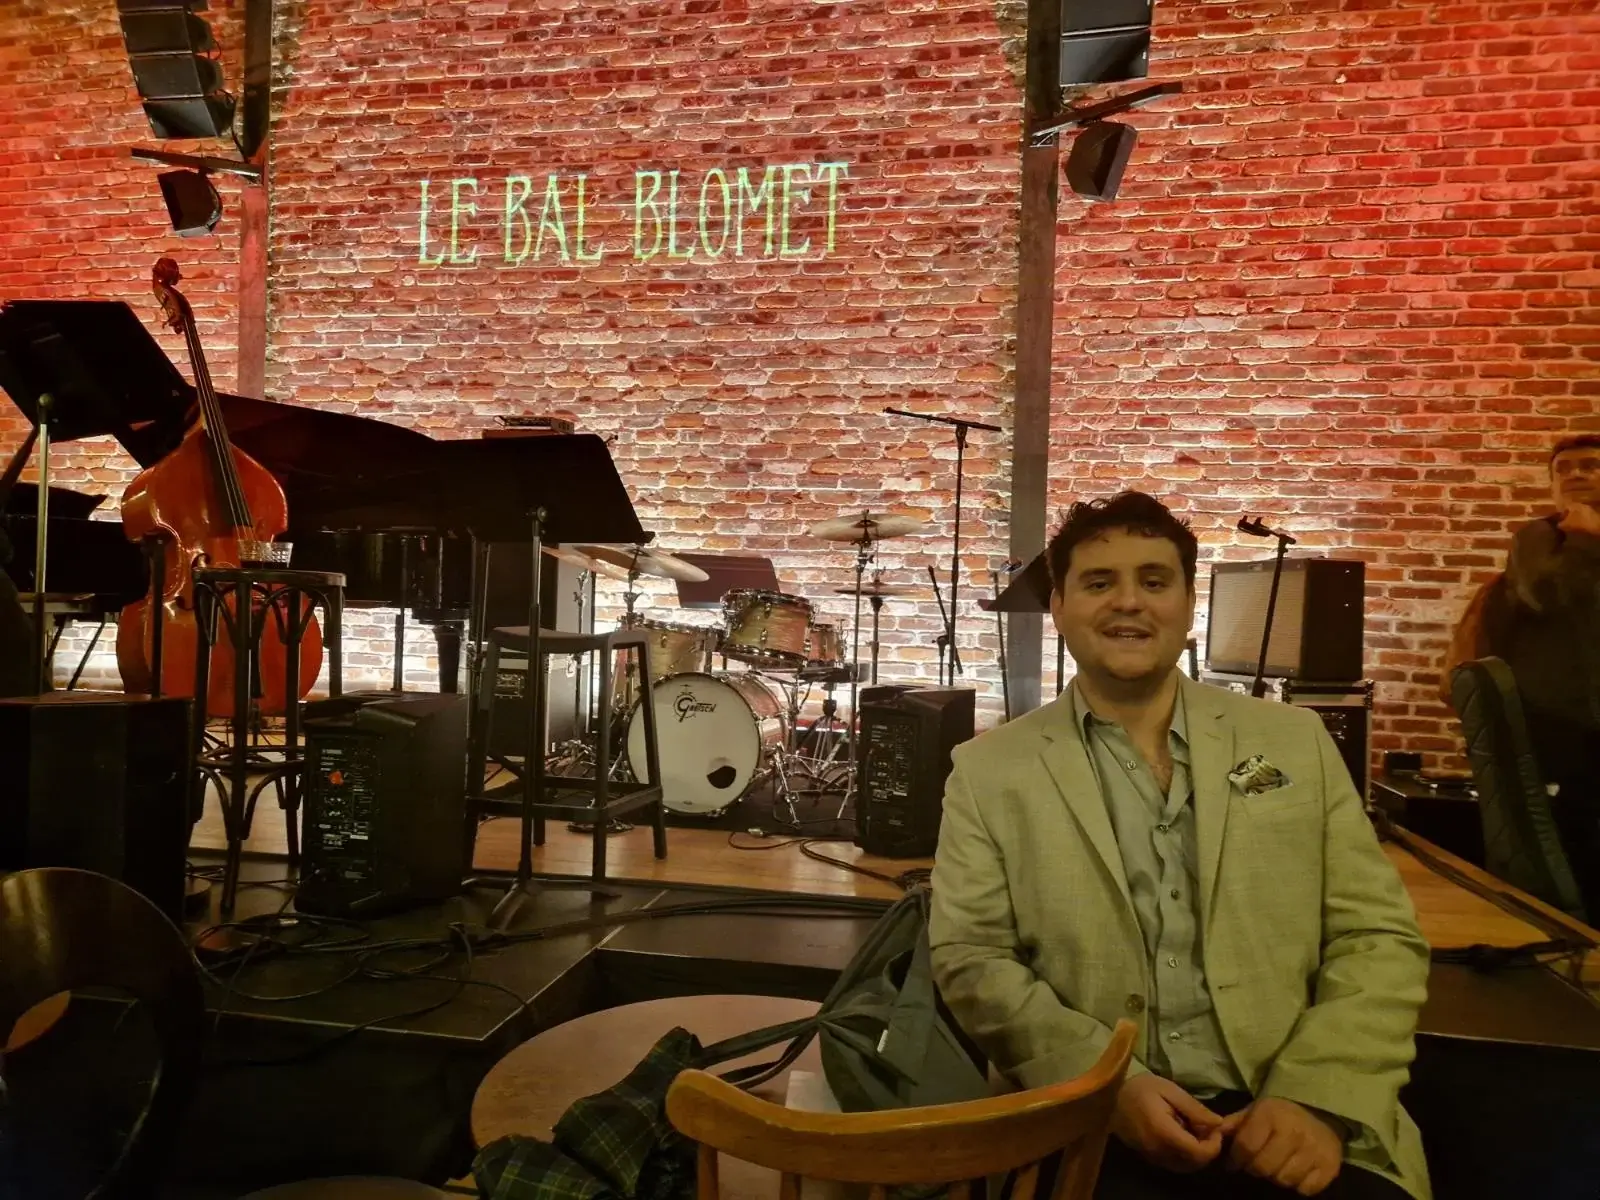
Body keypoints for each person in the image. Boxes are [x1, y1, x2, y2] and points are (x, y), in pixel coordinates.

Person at [929, 492, 1431, 1200]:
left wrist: (1316, 1095)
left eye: (1154, 581)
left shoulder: (1295, 743)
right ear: (1061, 609)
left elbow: (1377, 935)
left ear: (1188, 602)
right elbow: (971, 956)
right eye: (1100, 583)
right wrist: (1108, 1088)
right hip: (1090, 1120)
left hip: (1295, 1113)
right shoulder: (987, 772)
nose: (1128, 603)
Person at [1474, 435, 1600, 916]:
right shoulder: (1538, 537)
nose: (1575, 474)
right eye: (1564, 468)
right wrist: (1584, 542)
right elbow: (1540, 595)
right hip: (1558, 717)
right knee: (1571, 838)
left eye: (1590, 465)